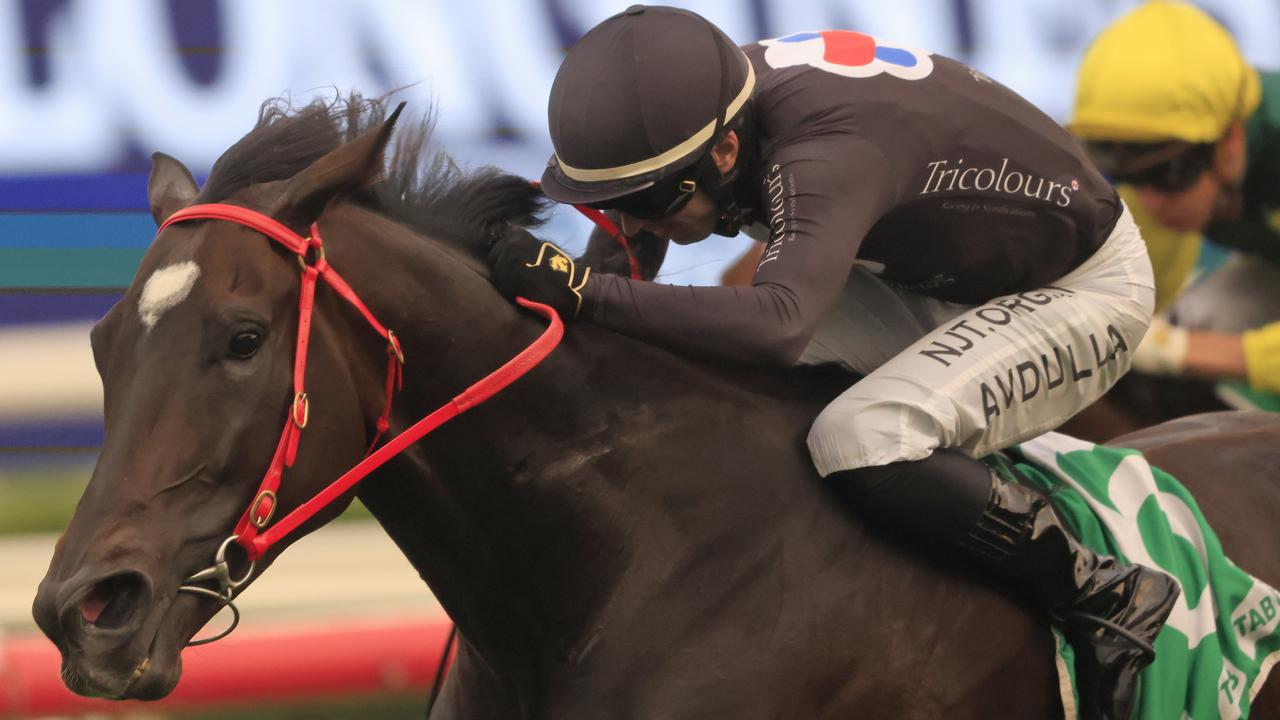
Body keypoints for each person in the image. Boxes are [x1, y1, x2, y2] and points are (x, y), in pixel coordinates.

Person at [487, 6, 1178, 717]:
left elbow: (780, 325)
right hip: (945, 272)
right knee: (706, 371)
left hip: (1081, 289)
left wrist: (586, 294)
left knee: (862, 437)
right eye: (610, 203)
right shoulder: (706, 114)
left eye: (645, 199)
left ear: (726, 151)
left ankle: (1103, 592)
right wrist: (577, 304)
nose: (629, 223)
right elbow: (634, 258)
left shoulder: (823, 154)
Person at [1069, 0, 1280, 408]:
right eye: (1124, 174)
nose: (1151, 200)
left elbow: (1174, 346)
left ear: (1231, 140)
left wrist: (1177, 350)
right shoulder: (1182, 156)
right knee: (1202, 317)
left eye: (1169, 172)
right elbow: (1146, 307)